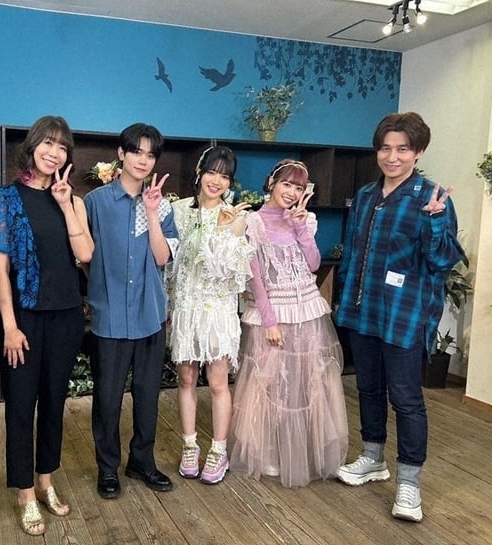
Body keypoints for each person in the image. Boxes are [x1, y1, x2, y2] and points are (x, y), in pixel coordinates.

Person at [334, 112, 464, 522]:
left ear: (418, 152)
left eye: (403, 149)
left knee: (406, 399)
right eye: (386, 148)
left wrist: (436, 220)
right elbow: (354, 252)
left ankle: (409, 482)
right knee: (368, 388)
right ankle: (373, 457)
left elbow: (443, 260)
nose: (393, 157)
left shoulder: (432, 198)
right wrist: (344, 302)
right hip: (364, 310)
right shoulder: (366, 195)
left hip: (404, 315)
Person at [0, 116, 93, 536]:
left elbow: (86, 255)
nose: (54, 153)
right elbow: (0, 271)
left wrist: (64, 205)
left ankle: (46, 479)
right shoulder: (4, 200)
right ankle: (25, 492)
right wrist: (10, 326)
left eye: (62, 147)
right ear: (32, 147)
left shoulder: (72, 200)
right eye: (47, 143)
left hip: (66, 316)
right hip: (23, 317)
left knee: (54, 402)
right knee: (22, 404)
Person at [228, 158, 348, 488]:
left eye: (299, 187)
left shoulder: (305, 219)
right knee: (269, 383)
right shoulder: (252, 222)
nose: (292, 192)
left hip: (307, 309)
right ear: (271, 183)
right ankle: (268, 453)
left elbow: (313, 264)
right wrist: (270, 322)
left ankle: (303, 453)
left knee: (307, 382)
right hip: (273, 313)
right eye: (287, 184)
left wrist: (299, 228)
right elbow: (254, 277)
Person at [83, 122, 178, 499]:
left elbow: (162, 257)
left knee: (147, 395)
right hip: (109, 316)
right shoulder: (95, 202)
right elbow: (83, 253)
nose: (143, 160)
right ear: (120, 154)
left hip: (150, 314)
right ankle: (107, 468)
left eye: (150, 154)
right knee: (107, 398)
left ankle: (142, 461)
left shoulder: (162, 204)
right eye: (136, 151)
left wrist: (152, 213)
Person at [167, 146, 253, 484]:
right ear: (199, 172)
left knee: (217, 383)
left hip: (217, 311)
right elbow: (171, 265)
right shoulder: (178, 211)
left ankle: (219, 449)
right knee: (186, 380)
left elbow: (228, 274)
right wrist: (170, 306)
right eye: (212, 172)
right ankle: (190, 446)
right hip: (185, 309)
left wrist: (223, 232)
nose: (217, 181)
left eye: (225, 176)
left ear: (230, 182)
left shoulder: (236, 217)